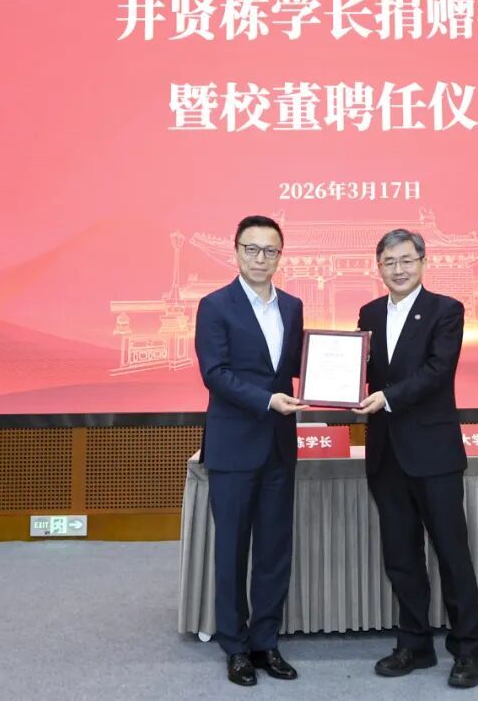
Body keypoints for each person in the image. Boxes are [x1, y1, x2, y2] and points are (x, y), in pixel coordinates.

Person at [353, 228, 478, 688]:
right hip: (386, 454)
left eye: (406, 260)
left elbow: (437, 371)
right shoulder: (369, 313)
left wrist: (387, 397)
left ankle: (467, 649)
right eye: (389, 262)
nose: (398, 269)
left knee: (452, 553)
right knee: (400, 555)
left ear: (423, 262)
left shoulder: (446, 310)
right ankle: (415, 644)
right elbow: (360, 370)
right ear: (379, 267)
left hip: (433, 454)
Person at [194, 215, 306, 687]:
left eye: (270, 250)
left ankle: (266, 642)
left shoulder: (293, 306)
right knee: (232, 550)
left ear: (281, 255)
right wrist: (265, 401)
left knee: (275, 549)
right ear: (236, 250)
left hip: (279, 445)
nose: (261, 258)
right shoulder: (214, 306)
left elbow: (295, 367)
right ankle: (235, 647)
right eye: (252, 249)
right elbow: (214, 373)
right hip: (234, 446)